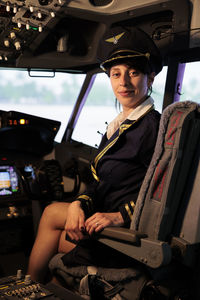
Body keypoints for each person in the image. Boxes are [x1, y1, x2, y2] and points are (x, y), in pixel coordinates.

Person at [27, 26, 163, 283]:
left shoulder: (153, 128)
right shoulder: (121, 125)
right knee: (60, 228)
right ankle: (37, 287)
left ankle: (29, 288)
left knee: (51, 214)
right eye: (116, 74)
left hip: (128, 234)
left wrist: (120, 215)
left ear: (151, 78)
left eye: (133, 73)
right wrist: (81, 203)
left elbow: (160, 191)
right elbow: (101, 182)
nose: (123, 82)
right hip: (106, 220)